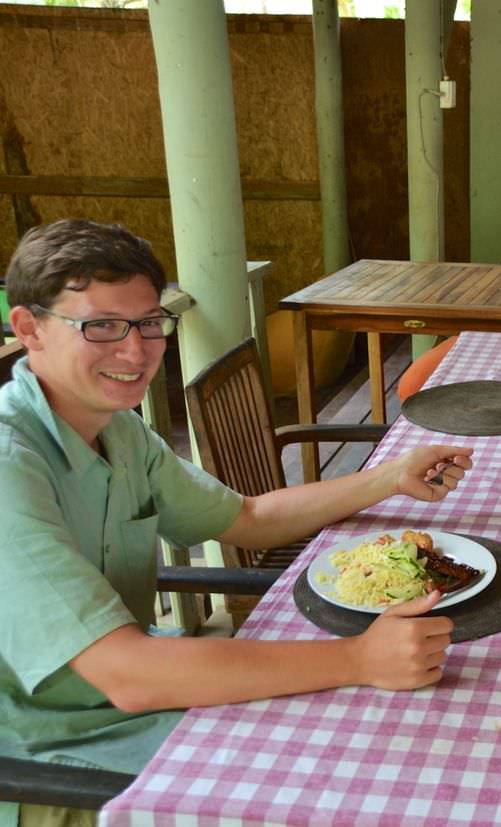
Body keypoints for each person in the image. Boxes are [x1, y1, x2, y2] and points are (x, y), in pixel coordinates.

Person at [0, 220, 474, 821]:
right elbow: (126, 675)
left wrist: (390, 477)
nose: (135, 349)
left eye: (149, 323)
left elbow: (247, 518)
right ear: (28, 328)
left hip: (146, 698)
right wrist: (358, 658)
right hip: (56, 762)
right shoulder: (11, 466)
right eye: (100, 326)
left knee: (392, 741)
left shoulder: (117, 430)